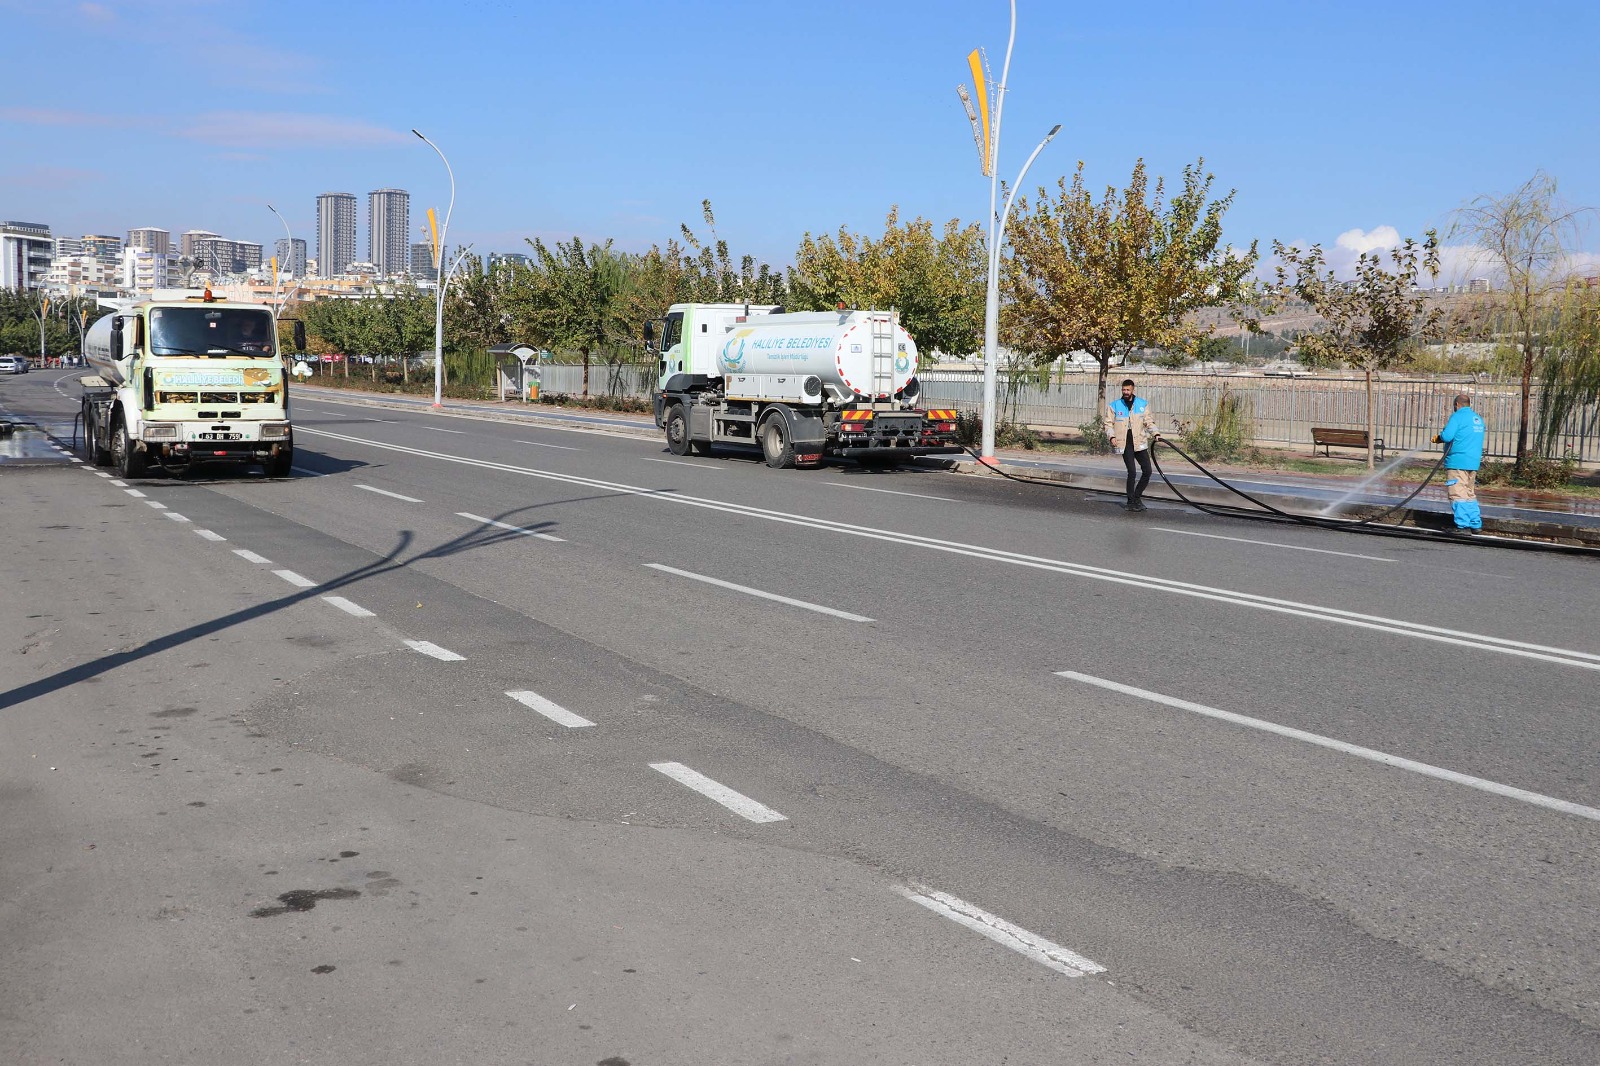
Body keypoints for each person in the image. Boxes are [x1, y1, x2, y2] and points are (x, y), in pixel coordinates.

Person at [1433, 393, 1485, 533]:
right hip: (1473, 463)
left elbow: (1448, 436)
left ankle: (1462, 525)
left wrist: (1439, 437)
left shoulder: (1457, 416)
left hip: (1457, 462)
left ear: (1457, 405)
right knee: (1469, 493)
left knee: (1457, 493)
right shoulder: (1478, 419)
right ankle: (1475, 523)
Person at [1106, 378, 1159, 511]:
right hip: (1124, 444)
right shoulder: (1114, 405)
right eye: (1124, 390)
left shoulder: (1142, 404)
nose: (1125, 392)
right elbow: (1108, 424)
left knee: (1147, 471)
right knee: (1132, 472)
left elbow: (1149, 422)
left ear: (1133, 390)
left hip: (1139, 442)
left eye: (1128, 390)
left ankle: (1137, 497)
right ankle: (1130, 502)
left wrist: (1156, 434)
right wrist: (1111, 436)